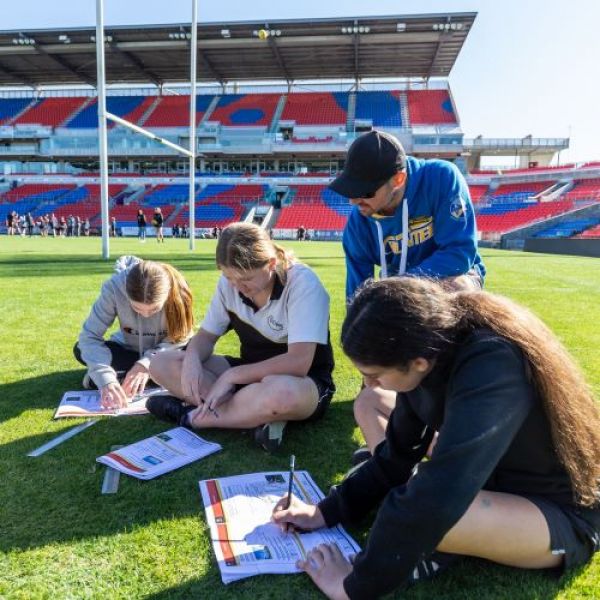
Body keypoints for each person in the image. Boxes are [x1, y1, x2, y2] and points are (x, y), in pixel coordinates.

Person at [272, 277, 600, 599]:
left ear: (417, 362)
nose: (368, 384)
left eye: (374, 375)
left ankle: (435, 549)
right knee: (414, 501)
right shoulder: (428, 353)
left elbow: (445, 489)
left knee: (434, 513)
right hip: (491, 485)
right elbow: (395, 457)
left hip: (558, 514)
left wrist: (351, 587)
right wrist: (325, 512)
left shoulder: (492, 364)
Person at [330, 130, 487, 465]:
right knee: (375, 350)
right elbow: (356, 291)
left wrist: (399, 289)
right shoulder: (358, 223)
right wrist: (364, 350)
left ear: (398, 179)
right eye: (351, 194)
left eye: (366, 193)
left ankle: (451, 411)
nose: (357, 203)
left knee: (457, 289)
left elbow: (460, 253)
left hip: (450, 282)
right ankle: (398, 433)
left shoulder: (440, 177)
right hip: (398, 296)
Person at [147, 222, 335, 453]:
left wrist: (232, 376)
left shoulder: (303, 285)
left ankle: (193, 417)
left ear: (271, 264)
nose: (237, 287)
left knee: (280, 393)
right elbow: (206, 336)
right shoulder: (230, 285)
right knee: (161, 363)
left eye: (245, 279)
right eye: (228, 277)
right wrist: (192, 360)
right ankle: (248, 416)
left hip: (302, 382)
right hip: (250, 376)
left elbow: (299, 363)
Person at [74, 256, 195, 409]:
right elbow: (89, 336)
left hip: (166, 353)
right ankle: (142, 378)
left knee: (192, 350)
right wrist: (105, 379)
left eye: (154, 310)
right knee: (80, 349)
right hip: (129, 350)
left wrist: (146, 365)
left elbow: (181, 337)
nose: (145, 315)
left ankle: (129, 375)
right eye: (137, 309)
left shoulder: (179, 291)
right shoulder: (114, 288)